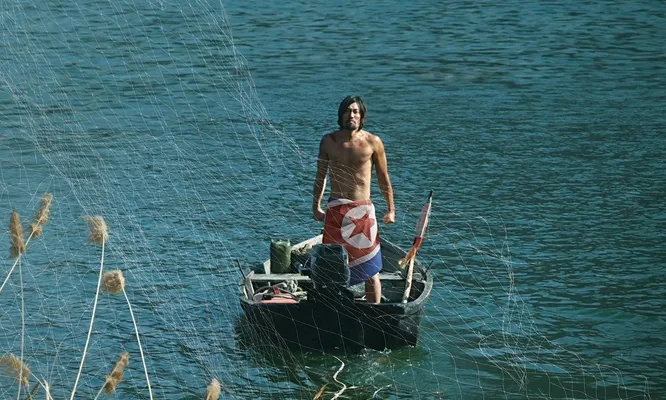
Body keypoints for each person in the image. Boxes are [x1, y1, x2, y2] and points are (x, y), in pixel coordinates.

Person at [312, 95, 395, 303]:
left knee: (370, 270)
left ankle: (374, 313)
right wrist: (316, 207)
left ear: (362, 116)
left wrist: (390, 209)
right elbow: (321, 176)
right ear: (341, 115)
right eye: (348, 111)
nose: (352, 115)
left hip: (362, 212)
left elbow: (383, 178)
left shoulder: (373, 142)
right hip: (336, 211)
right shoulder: (328, 141)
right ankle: (332, 309)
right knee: (331, 267)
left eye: (356, 111)